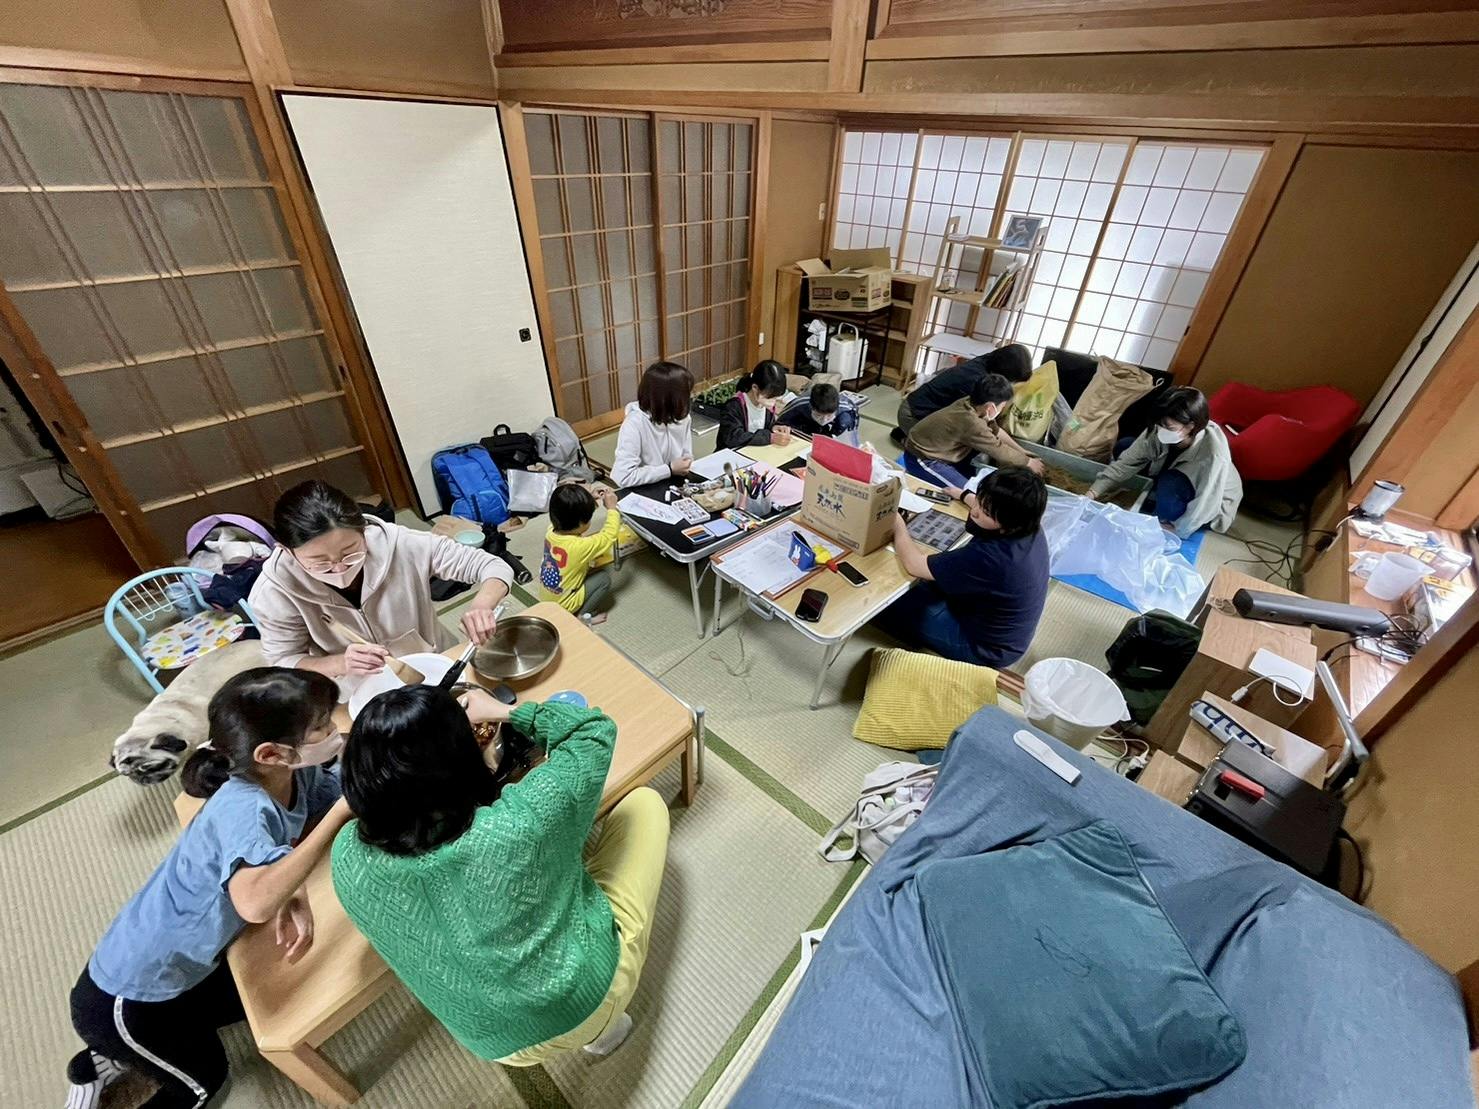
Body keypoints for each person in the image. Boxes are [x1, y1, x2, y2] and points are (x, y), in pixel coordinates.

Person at [332, 685, 670, 1067]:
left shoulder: (346, 857)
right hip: (582, 1002)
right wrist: (504, 711)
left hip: (493, 1044)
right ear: (461, 761)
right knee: (643, 805)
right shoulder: (515, 824)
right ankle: (604, 1030)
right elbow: (593, 731)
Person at [65, 668, 352, 1109]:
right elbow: (254, 903)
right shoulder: (243, 807)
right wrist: (338, 818)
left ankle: (108, 1058)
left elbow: (323, 803)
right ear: (271, 753)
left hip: (185, 971)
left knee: (259, 994)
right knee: (203, 1082)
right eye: (322, 726)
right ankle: (106, 1056)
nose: (333, 731)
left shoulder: (294, 774)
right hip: (127, 995)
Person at [250, 480, 513, 678]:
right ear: (287, 551)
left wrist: (482, 605)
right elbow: (283, 660)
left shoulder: (400, 544)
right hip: (361, 684)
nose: (339, 568)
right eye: (320, 562)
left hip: (435, 660)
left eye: (350, 552)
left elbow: (491, 566)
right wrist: (340, 663)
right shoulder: (274, 591)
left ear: (363, 531)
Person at [873, 467, 1050, 668]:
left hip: (982, 647)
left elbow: (915, 565)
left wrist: (897, 524)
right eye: (980, 499)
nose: (975, 511)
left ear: (1009, 523)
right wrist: (965, 495)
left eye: (986, 512)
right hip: (1001, 628)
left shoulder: (993, 557)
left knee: (884, 600)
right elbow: (993, 505)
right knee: (922, 584)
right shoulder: (1029, 524)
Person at [1087, 386, 1243, 539]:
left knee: (1169, 491)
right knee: (1125, 445)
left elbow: (1206, 501)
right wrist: (1092, 492)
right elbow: (1127, 462)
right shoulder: (1160, 429)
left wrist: (1179, 529)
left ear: (1190, 426)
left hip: (1212, 501)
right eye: (1159, 424)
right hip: (1170, 473)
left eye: (1169, 427)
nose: (1161, 430)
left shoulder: (1214, 453)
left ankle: (1165, 504)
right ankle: (1157, 495)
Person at [904, 373, 1044, 488]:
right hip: (923, 458)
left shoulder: (972, 403)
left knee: (974, 478)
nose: (1002, 410)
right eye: (1002, 407)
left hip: (938, 450)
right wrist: (1028, 462)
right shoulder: (971, 422)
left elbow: (995, 431)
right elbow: (998, 449)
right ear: (990, 407)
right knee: (970, 493)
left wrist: (1022, 451)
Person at [893, 343, 1033, 440]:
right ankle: (910, 438)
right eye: (1011, 381)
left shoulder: (990, 360)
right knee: (959, 446)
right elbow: (977, 426)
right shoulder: (976, 381)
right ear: (1003, 371)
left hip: (921, 407)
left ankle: (911, 433)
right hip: (912, 414)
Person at [539, 483, 622, 623]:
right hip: (564, 605)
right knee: (603, 579)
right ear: (581, 523)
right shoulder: (580, 547)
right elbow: (609, 535)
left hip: (547, 597)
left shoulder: (551, 531)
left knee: (589, 567)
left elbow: (567, 510)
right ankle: (584, 617)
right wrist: (612, 509)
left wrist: (589, 499)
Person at [611, 361, 695, 487]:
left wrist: (686, 464)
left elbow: (686, 455)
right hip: (645, 488)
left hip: (676, 483)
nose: (689, 397)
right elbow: (622, 476)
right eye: (685, 394)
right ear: (669, 398)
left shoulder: (682, 417)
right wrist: (668, 469)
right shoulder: (635, 424)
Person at [716, 360, 791, 450]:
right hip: (732, 454)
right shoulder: (734, 406)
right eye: (769, 397)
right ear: (755, 388)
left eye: (776, 398)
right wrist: (769, 438)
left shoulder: (766, 406)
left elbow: (764, 427)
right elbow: (733, 437)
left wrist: (774, 428)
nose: (773, 402)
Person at [776, 382, 860, 442]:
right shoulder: (799, 404)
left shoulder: (847, 409)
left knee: (844, 423)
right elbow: (779, 422)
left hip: (837, 425)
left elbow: (852, 435)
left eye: (829, 416)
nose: (824, 420)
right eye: (819, 415)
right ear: (811, 406)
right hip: (807, 423)